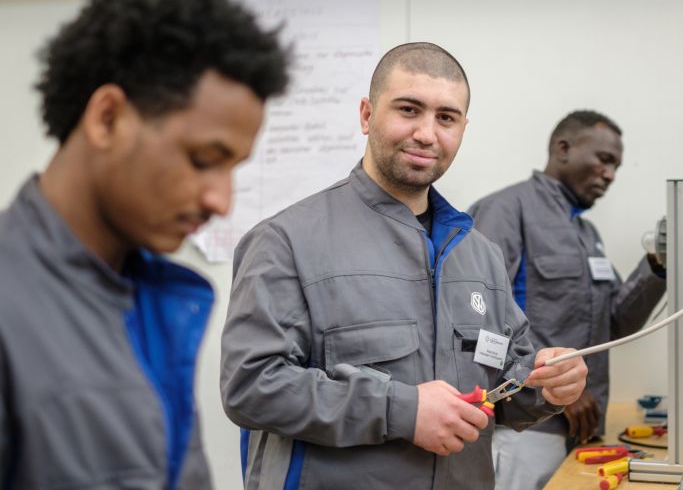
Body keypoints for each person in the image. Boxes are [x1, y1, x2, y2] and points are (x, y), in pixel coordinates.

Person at [220, 42, 588, 490]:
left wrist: (545, 386)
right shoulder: (286, 242)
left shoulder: (480, 254)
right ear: (366, 115)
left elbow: (502, 388)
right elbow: (252, 387)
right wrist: (403, 411)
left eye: (446, 118)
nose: (427, 134)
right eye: (409, 110)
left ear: (463, 128)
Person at [0, 0, 289, 489]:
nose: (221, 201)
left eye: (233, 169)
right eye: (203, 159)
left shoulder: (157, 300)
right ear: (108, 118)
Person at [468, 110, 667, 490]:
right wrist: (550, 385)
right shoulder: (505, 211)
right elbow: (477, 316)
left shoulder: (586, 232)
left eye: (617, 166)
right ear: (563, 148)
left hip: (584, 429)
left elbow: (617, 323)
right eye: (604, 160)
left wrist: (657, 263)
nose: (610, 174)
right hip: (528, 429)